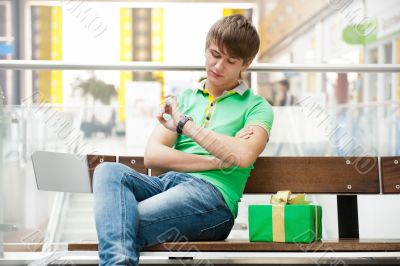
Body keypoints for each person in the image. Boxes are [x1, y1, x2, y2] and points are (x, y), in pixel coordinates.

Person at [93, 14, 274, 266]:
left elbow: (243, 156)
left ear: (247, 63)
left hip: (213, 199)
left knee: (120, 220)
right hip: (168, 184)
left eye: (230, 61)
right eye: (214, 54)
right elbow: (153, 154)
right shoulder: (185, 99)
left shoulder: (257, 107)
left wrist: (185, 126)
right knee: (108, 171)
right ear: (206, 49)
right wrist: (218, 157)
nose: (218, 66)